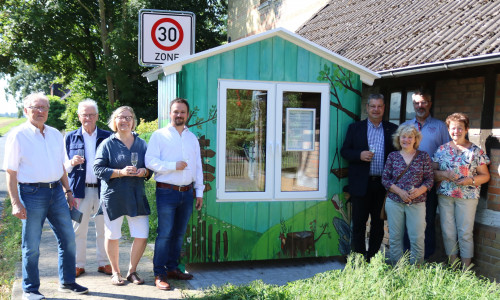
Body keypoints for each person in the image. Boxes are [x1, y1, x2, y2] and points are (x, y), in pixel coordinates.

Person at [3, 92, 88, 300]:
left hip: (57, 192)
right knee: (31, 245)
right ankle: (30, 289)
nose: (40, 111)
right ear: (26, 110)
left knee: (68, 239)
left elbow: (61, 165)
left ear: (48, 111)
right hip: (31, 194)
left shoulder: (55, 134)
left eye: (44, 108)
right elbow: (11, 172)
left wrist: (68, 191)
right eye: (35, 107)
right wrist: (15, 202)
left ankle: (67, 282)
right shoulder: (18, 135)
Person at [145, 98, 204, 290]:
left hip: (187, 194)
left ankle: (172, 268)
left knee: (178, 235)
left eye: (183, 112)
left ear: (187, 115)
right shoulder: (159, 135)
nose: (179, 115)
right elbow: (149, 161)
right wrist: (173, 166)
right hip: (166, 192)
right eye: (176, 111)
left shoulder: (192, 138)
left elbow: (198, 167)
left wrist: (199, 191)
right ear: (170, 113)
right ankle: (159, 273)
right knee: (164, 235)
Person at [93, 106, 151, 286]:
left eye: (128, 117)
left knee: (142, 234)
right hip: (113, 196)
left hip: (136, 194)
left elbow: (151, 168)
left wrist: (144, 172)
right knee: (112, 235)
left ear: (133, 121)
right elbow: (97, 169)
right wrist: (120, 172)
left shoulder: (141, 144)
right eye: (120, 117)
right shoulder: (107, 144)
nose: (124, 121)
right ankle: (115, 272)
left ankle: (132, 271)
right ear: (114, 121)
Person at [341, 94, 398, 261]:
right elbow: (344, 151)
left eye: (379, 106)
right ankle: (358, 258)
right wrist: (359, 154)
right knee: (358, 223)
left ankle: (372, 258)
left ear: (384, 108)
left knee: (378, 224)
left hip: (383, 184)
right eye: (373, 106)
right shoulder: (355, 128)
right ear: (367, 108)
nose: (376, 109)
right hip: (361, 184)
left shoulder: (393, 129)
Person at [433, 113, 490, 268]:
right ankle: (453, 266)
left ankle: (465, 271)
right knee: (448, 231)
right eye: (453, 128)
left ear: (466, 129)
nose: (456, 131)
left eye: (460, 128)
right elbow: (432, 173)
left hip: (468, 196)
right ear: (448, 129)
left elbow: (485, 176)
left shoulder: (475, 151)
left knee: (465, 233)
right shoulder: (441, 150)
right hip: (445, 195)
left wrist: (469, 180)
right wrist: (444, 174)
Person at [64, 99, 112, 277]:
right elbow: (62, 166)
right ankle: (78, 264)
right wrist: (71, 162)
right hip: (79, 190)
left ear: (97, 116)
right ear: (79, 116)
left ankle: (104, 263)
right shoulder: (70, 137)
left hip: (103, 190)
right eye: (85, 114)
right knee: (78, 229)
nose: (88, 118)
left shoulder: (108, 136)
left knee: (104, 228)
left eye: (92, 114)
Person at [402, 88, 450, 259]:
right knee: (408, 220)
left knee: (427, 219)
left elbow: (447, 152)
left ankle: (426, 257)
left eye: (423, 102)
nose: (420, 105)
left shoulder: (440, 126)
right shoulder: (405, 126)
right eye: (416, 103)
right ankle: (408, 255)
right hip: (407, 183)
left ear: (430, 104)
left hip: (429, 182)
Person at [382, 124, 434, 264]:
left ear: (415, 139)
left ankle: (415, 272)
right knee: (395, 238)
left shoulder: (423, 156)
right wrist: (400, 192)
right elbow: (385, 179)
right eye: (403, 137)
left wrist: (419, 191)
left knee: (417, 238)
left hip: (416, 203)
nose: (406, 140)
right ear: (398, 139)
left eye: (410, 137)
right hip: (394, 202)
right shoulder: (393, 156)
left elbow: (430, 179)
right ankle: (398, 270)